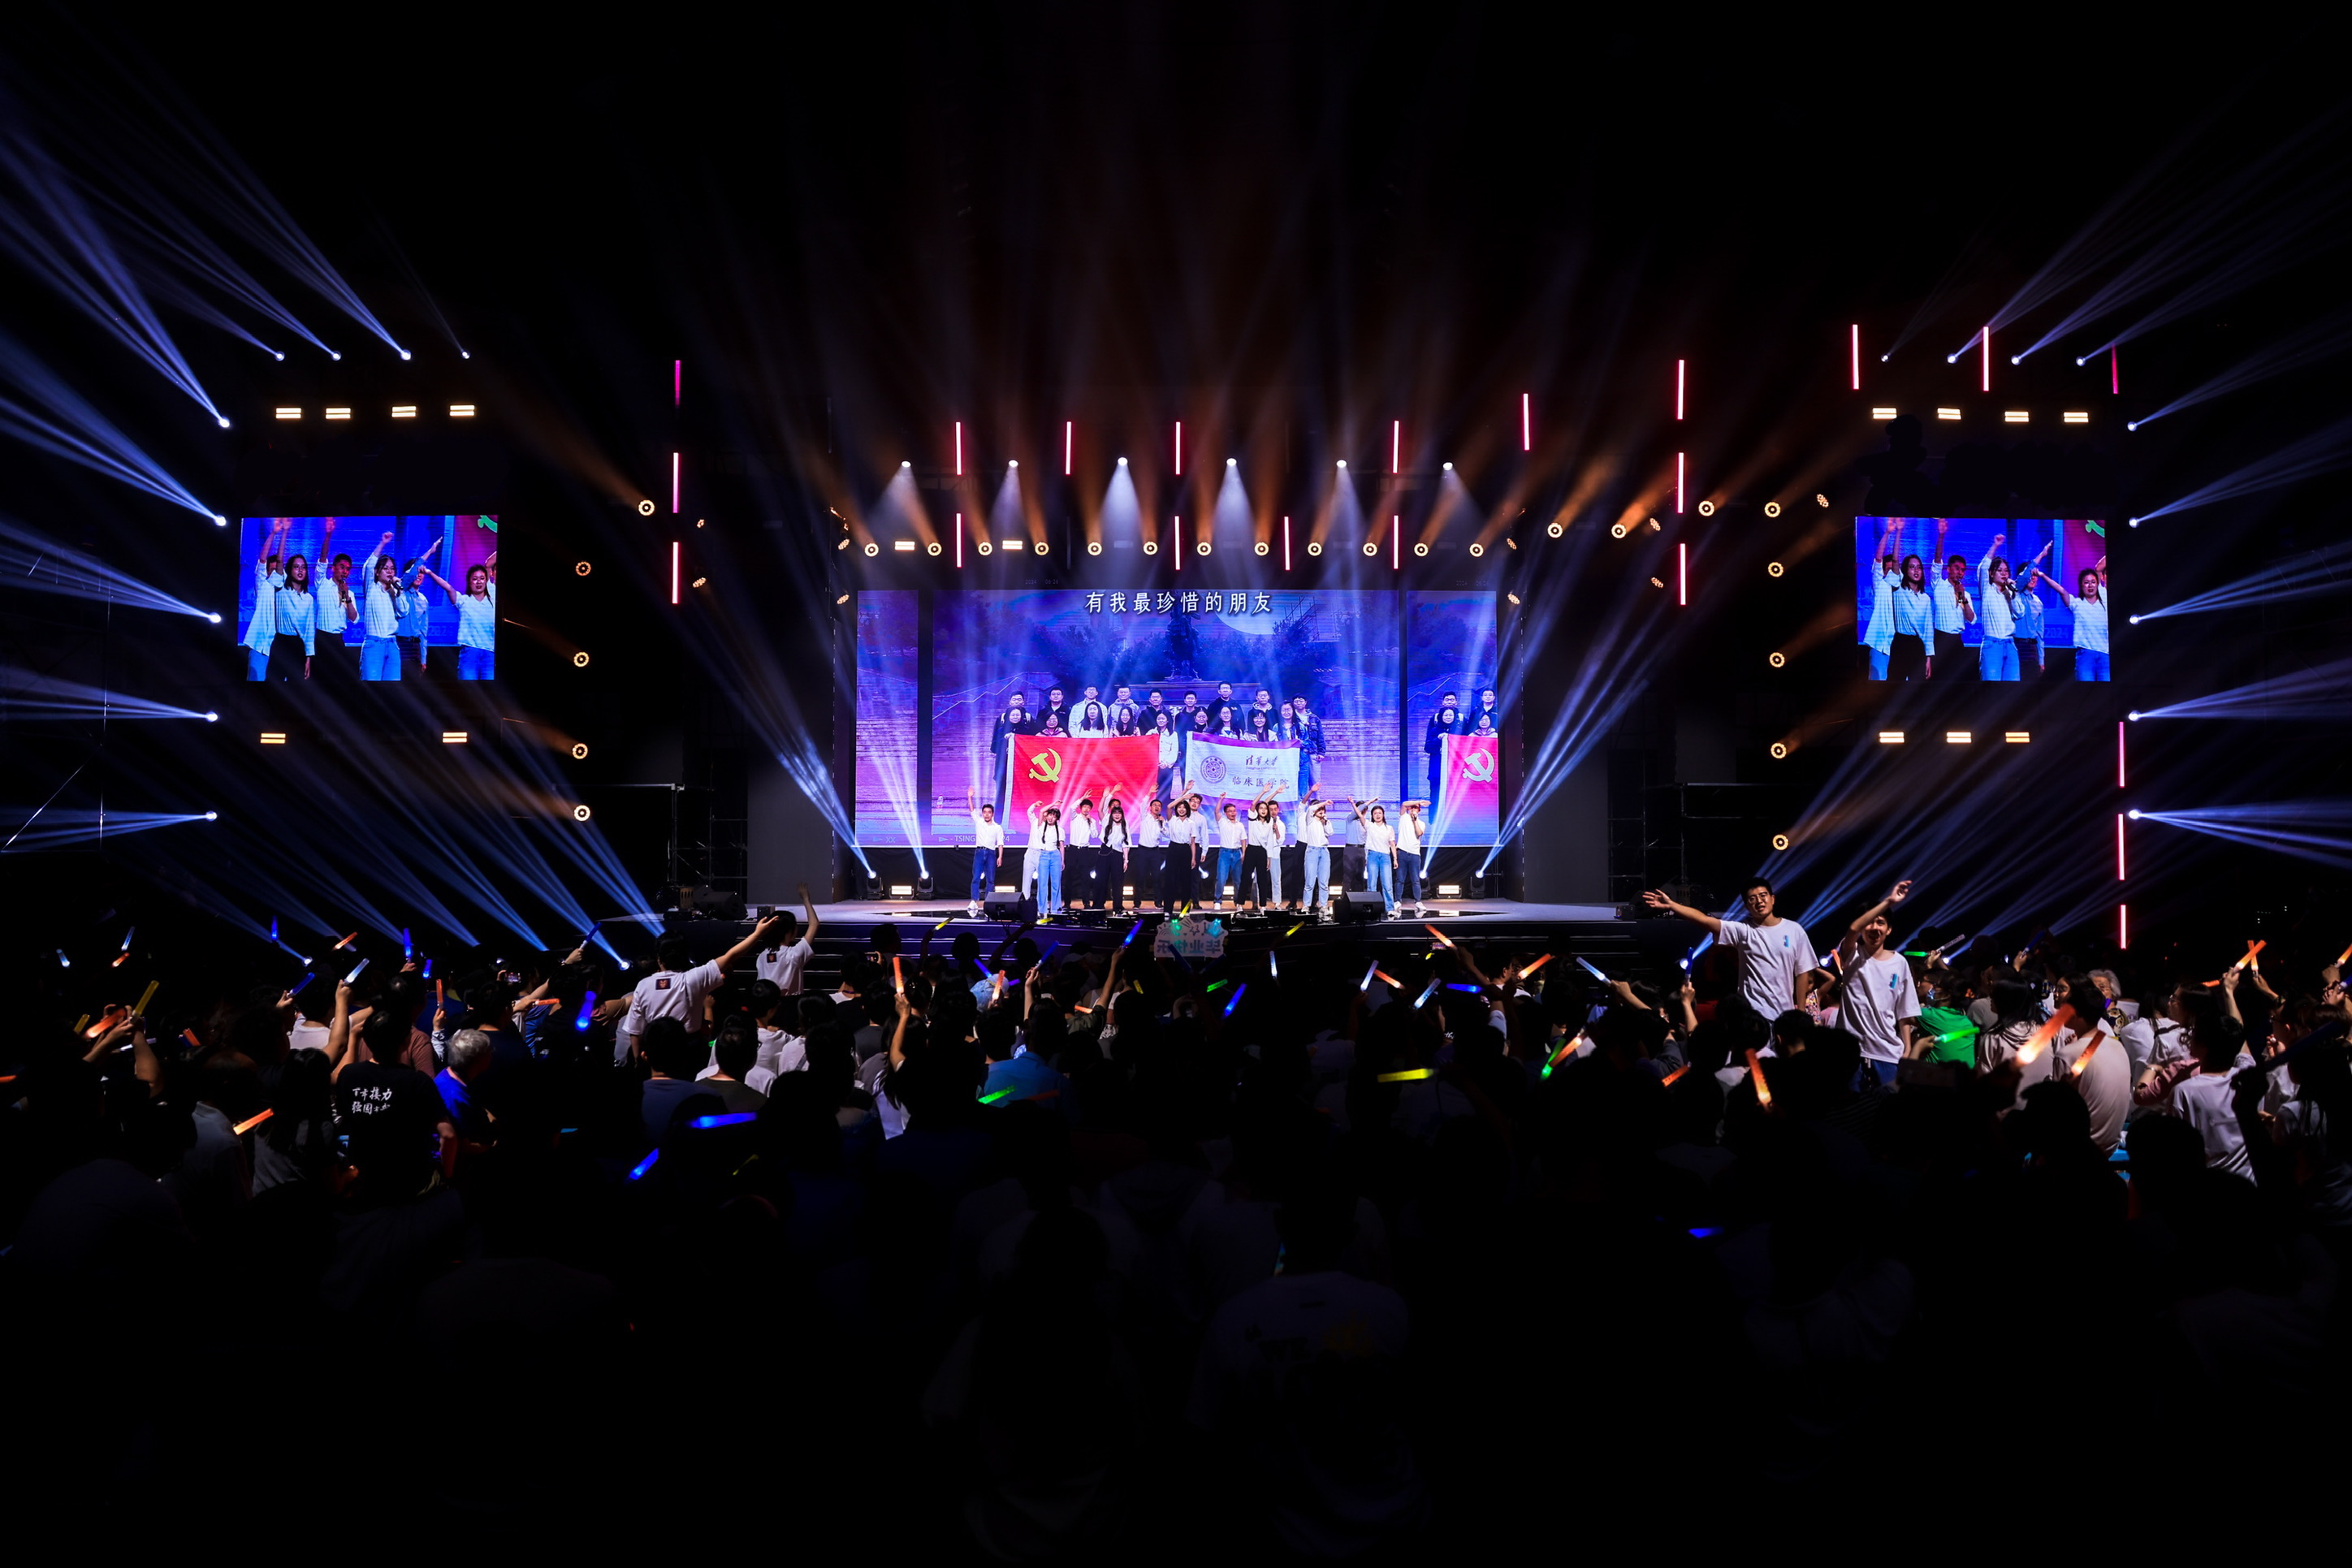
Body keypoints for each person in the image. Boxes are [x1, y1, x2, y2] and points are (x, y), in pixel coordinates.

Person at [616, 914, 784, 1066]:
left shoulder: (643, 985)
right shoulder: (693, 978)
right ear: (685, 956)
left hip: (656, 1051)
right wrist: (758, 933)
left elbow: (635, 1030)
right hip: (688, 1051)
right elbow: (731, 956)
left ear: (659, 959)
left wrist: (638, 1061)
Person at [1642, 877, 1820, 1021]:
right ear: (1747, 906)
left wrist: (1800, 1012)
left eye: (1763, 895)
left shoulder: (1794, 930)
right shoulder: (1743, 931)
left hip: (1785, 1015)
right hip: (1752, 1014)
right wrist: (1672, 905)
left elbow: (1802, 973)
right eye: (1752, 899)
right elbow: (1704, 920)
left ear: (1772, 899)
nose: (1759, 901)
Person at [1829, 880, 1917, 1084]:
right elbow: (1853, 929)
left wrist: (1907, 1049)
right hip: (1849, 1052)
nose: (1875, 928)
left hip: (1887, 1053)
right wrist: (1889, 902)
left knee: (1886, 1104)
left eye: (1881, 923)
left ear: (1889, 929)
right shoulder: (1852, 954)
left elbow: (1905, 1012)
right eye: (1870, 922)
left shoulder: (1900, 963)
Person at [419, 555, 498, 680]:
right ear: (469, 582)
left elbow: (489, 564)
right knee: (468, 688)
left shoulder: (492, 595)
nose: (479, 582)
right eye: (475, 579)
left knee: (490, 689)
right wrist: (429, 573)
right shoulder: (463, 601)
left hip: (491, 653)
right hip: (469, 653)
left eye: (482, 578)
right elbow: (448, 588)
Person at [2033, 557, 2109, 681]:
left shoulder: (2104, 597)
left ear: (2098, 583)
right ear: (2081, 586)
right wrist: (2042, 575)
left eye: (2093, 582)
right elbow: (2061, 590)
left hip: (2106, 654)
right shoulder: (2077, 603)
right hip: (2085, 655)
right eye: (2086, 582)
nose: (2090, 585)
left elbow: (2099, 568)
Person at [357, 535, 421, 681]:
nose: (390, 572)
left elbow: (404, 611)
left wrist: (399, 591)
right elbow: (368, 566)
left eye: (392, 569)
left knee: (392, 687)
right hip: (374, 645)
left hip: (392, 645)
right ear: (377, 572)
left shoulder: (395, 591)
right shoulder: (372, 588)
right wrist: (383, 543)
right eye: (385, 569)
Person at [312, 519, 360, 684]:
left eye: (348, 569)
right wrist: (328, 534)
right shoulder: (322, 584)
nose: (345, 571)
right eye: (342, 567)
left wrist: (346, 596)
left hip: (338, 640)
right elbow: (322, 559)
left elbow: (353, 618)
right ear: (333, 568)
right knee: (318, 680)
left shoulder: (349, 593)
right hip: (321, 639)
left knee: (337, 681)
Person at [244, 519, 289, 680]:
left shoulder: (286, 588)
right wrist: (274, 533)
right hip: (260, 645)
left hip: (280, 648)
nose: (275, 572)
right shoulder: (263, 585)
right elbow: (262, 560)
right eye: (272, 569)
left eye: (278, 569)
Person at [1930, 520, 1975, 678]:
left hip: (1956, 641)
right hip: (1940, 638)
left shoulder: (1965, 594)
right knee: (1938, 679)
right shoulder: (1939, 585)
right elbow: (1937, 561)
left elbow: (1971, 619)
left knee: (1957, 681)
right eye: (1957, 568)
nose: (1960, 572)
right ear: (1948, 569)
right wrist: (1941, 535)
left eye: (1963, 570)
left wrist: (1962, 597)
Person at [755, 883, 821, 988]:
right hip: (792, 999)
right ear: (789, 931)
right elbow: (814, 924)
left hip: (767, 999)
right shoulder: (794, 955)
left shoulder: (762, 957)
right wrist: (806, 899)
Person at [1974, 538, 2021, 681]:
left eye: (2006, 571)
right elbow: (1983, 567)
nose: (2004, 574)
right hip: (1992, 645)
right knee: (1992, 687)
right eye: (1999, 570)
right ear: (1991, 574)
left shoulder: (2010, 592)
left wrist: (2014, 592)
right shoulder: (1987, 590)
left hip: (2010, 644)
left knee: (2012, 688)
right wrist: (1995, 545)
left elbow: (2020, 613)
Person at [1861, 517, 1901, 679]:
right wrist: (1888, 532)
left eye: (1894, 570)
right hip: (1880, 644)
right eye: (1888, 569)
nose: (1891, 572)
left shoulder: (1903, 589)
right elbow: (1878, 559)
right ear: (1883, 571)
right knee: (1878, 684)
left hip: (1900, 645)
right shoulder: (1880, 585)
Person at [397, 534, 442, 676]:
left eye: (422, 572)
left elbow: (423, 632)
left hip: (415, 647)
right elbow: (410, 575)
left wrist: (423, 658)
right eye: (417, 571)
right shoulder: (400, 591)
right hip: (399, 644)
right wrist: (431, 551)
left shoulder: (423, 600)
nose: (419, 575)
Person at [1887, 553, 1931, 681]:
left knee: (1918, 688)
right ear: (1905, 571)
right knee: (1894, 685)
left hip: (1918, 645)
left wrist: (1928, 659)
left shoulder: (1925, 598)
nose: (1916, 570)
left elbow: (1928, 631)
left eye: (1919, 567)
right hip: (1901, 642)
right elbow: (1895, 561)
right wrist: (1898, 538)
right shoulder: (1899, 590)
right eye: (1912, 567)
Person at [2013, 540, 2052, 678]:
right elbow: (2022, 578)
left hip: (2032, 649)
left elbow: (2040, 634)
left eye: (2035, 575)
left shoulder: (2038, 603)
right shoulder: (2015, 594)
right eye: (2030, 574)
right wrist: (2042, 554)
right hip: (2016, 645)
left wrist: (2041, 660)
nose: (2032, 578)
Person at [966, 792, 1005, 916]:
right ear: (982, 813)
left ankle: (988, 903)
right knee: (976, 877)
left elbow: (1000, 843)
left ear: (992, 814)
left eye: (989, 812)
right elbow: (972, 810)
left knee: (991, 879)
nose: (987, 814)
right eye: (984, 812)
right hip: (979, 852)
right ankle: (974, 901)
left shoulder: (997, 827)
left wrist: (1000, 857)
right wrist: (970, 797)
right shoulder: (979, 822)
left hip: (991, 854)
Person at [1355, 800, 1397, 914]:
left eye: (1380, 813)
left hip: (1385, 857)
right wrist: (1355, 803)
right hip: (1372, 856)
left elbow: (1392, 844)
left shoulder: (1389, 828)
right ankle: (1371, 909)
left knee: (1387, 884)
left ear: (1383, 814)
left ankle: (1390, 909)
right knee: (1371, 884)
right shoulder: (1369, 825)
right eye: (1375, 813)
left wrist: (1395, 858)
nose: (1378, 815)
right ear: (1372, 815)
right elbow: (1359, 814)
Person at [1026, 801, 1066, 917]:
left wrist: (1062, 860)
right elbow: (1041, 811)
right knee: (1042, 883)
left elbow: (1061, 846)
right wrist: (1053, 804)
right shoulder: (1041, 825)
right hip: (1043, 855)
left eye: (1054, 816)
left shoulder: (1060, 830)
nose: (1051, 818)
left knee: (1056, 884)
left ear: (1057, 819)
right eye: (1050, 815)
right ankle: (1042, 910)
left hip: (1055, 856)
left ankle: (1055, 909)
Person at [989, 692, 1030, 804]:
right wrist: (1004, 739)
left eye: (1018, 715)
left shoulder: (1026, 726)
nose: (1015, 717)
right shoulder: (1001, 726)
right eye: (1013, 715)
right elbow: (994, 747)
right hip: (1003, 763)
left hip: (1021, 763)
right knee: (1001, 789)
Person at [1161, 797, 1198, 911]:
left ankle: (1185, 912)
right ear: (1176, 809)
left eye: (1184, 808)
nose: (1182, 810)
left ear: (1187, 810)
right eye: (1179, 807)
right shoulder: (1172, 820)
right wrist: (1183, 797)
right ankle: (1168, 910)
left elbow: (1192, 842)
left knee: (1186, 881)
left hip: (1186, 850)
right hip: (1173, 849)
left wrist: (1193, 858)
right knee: (1170, 880)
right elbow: (1169, 807)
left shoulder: (1191, 823)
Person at [1299, 796, 1334, 918]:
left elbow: (1330, 832)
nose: (1321, 811)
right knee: (1310, 881)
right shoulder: (1310, 819)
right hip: (1312, 851)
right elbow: (1311, 809)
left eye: (1323, 809)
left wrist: (1325, 822)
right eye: (1319, 809)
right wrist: (1324, 802)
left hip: (1324, 851)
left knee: (1324, 882)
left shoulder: (1325, 822)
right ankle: (1306, 905)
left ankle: (1323, 906)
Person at [1394, 798, 1429, 914]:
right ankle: (1397, 901)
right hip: (1402, 852)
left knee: (1415, 880)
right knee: (1400, 879)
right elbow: (1404, 804)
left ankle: (1418, 901)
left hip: (1415, 854)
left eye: (1416, 808)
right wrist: (1418, 801)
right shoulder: (1403, 817)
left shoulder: (1421, 823)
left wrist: (1415, 820)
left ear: (1419, 811)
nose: (1413, 809)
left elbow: (1419, 833)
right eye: (1412, 807)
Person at [1066, 796, 1101, 909]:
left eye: (1088, 807)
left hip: (1084, 851)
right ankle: (1067, 903)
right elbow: (1071, 808)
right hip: (1072, 850)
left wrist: (1091, 822)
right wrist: (1082, 799)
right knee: (1069, 877)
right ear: (1081, 808)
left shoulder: (1092, 821)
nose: (1086, 809)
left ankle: (1086, 902)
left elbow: (1095, 835)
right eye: (1084, 807)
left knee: (1085, 878)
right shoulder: (1075, 817)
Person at [1425, 694, 1459, 806]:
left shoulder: (1459, 730)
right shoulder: (1434, 730)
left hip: (1454, 768)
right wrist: (1438, 739)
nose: (1448, 717)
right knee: (1435, 793)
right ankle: (1434, 815)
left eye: (1451, 715)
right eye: (1446, 715)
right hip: (1437, 767)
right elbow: (1427, 747)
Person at [1135, 797, 1167, 909]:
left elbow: (1167, 834)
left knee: (1157, 878)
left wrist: (1162, 824)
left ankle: (1158, 902)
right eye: (1155, 805)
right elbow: (1142, 805)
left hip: (1155, 851)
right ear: (1150, 807)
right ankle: (1137, 903)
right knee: (1140, 877)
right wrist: (1149, 793)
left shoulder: (1161, 821)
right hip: (1143, 851)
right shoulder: (1145, 817)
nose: (1157, 807)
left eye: (1159, 806)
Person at [1213, 801, 1246, 909]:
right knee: (1221, 878)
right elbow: (1216, 811)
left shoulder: (1240, 825)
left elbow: (1243, 840)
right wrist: (1221, 799)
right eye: (1230, 811)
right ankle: (1218, 901)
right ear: (1226, 813)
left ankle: (1238, 902)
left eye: (1234, 811)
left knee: (1238, 880)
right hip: (1225, 853)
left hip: (1237, 853)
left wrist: (1244, 853)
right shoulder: (1223, 822)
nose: (1233, 813)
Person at [1101, 797, 1132, 914]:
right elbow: (1102, 809)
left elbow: (1125, 843)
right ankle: (1099, 904)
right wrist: (1107, 796)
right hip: (1105, 852)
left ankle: (1118, 906)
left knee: (1118, 882)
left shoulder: (1124, 825)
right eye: (1115, 813)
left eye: (1119, 813)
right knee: (1102, 880)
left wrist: (1126, 860)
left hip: (1118, 854)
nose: (1117, 815)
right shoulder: (1106, 821)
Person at [1152, 709, 1182, 804]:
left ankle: (1165, 808)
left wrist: (1166, 763)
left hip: (1166, 767)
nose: (1160, 721)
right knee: (1154, 789)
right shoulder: (1152, 732)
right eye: (1159, 719)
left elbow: (1174, 751)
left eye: (1163, 719)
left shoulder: (1173, 734)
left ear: (1168, 720)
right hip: (1154, 767)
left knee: (1165, 790)